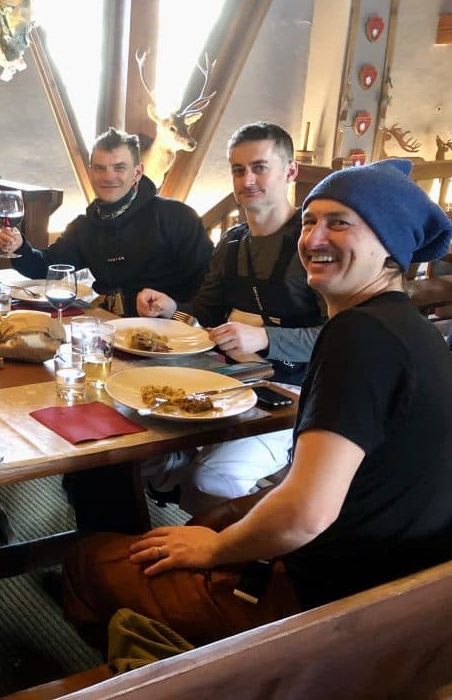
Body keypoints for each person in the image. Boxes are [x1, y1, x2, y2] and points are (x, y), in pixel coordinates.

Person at [61, 158, 452, 653]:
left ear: (390, 245)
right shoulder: (412, 331)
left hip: (333, 611)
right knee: (204, 522)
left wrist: (219, 550)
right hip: (404, 594)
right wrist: (217, 533)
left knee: (90, 558)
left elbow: (306, 514)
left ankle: (178, 675)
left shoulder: (359, 335)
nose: (312, 238)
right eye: (310, 221)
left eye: (340, 223)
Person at [135, 123, 328, 511]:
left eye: (259, 167)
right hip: (227, 380)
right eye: (238, 170)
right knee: (136, 445)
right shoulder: (233, 241)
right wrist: (172, 309)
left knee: (213, 477)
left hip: (292, 394)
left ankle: (246, 558)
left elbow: (340, 334)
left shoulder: (318, 245)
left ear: (290, 171)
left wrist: (267, 339)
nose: (248, 180)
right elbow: (204, 310)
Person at [0, 127, 212, 316]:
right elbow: (47, 268)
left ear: (137, 172)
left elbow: (208, 286)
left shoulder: (176, 216)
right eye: (100, 168)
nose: (108, 177)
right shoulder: (84, 226)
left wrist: (177, 312)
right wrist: (20, 247)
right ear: (91, 173)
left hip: (169, 334)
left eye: (119, 167)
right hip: (109, 327)